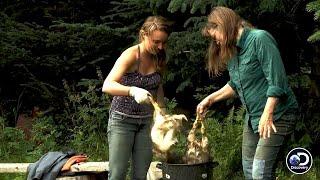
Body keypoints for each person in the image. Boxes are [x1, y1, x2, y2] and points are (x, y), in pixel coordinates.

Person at [196, 7, 298, 180]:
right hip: (253, 119)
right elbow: (235, 85)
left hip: (278, 115)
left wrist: (268, 113)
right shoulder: (232, 51)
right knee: (249, 171)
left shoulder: (260, 39)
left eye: (215, 37)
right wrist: (210, 99)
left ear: (223, 26)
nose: (216, 43)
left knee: (260, 172)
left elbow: (277, 81)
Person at [102, 16, 171, 180]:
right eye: (156, 42)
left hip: (146, 124)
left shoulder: (159, 57)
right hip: (122, 121)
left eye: (164, 42)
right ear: (144, 35)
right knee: (117, 174)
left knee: (140, 175)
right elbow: (107, 85)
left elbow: (158, 85)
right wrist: (132, 91)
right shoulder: (132, 55)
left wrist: (162, 113)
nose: (161, 47)